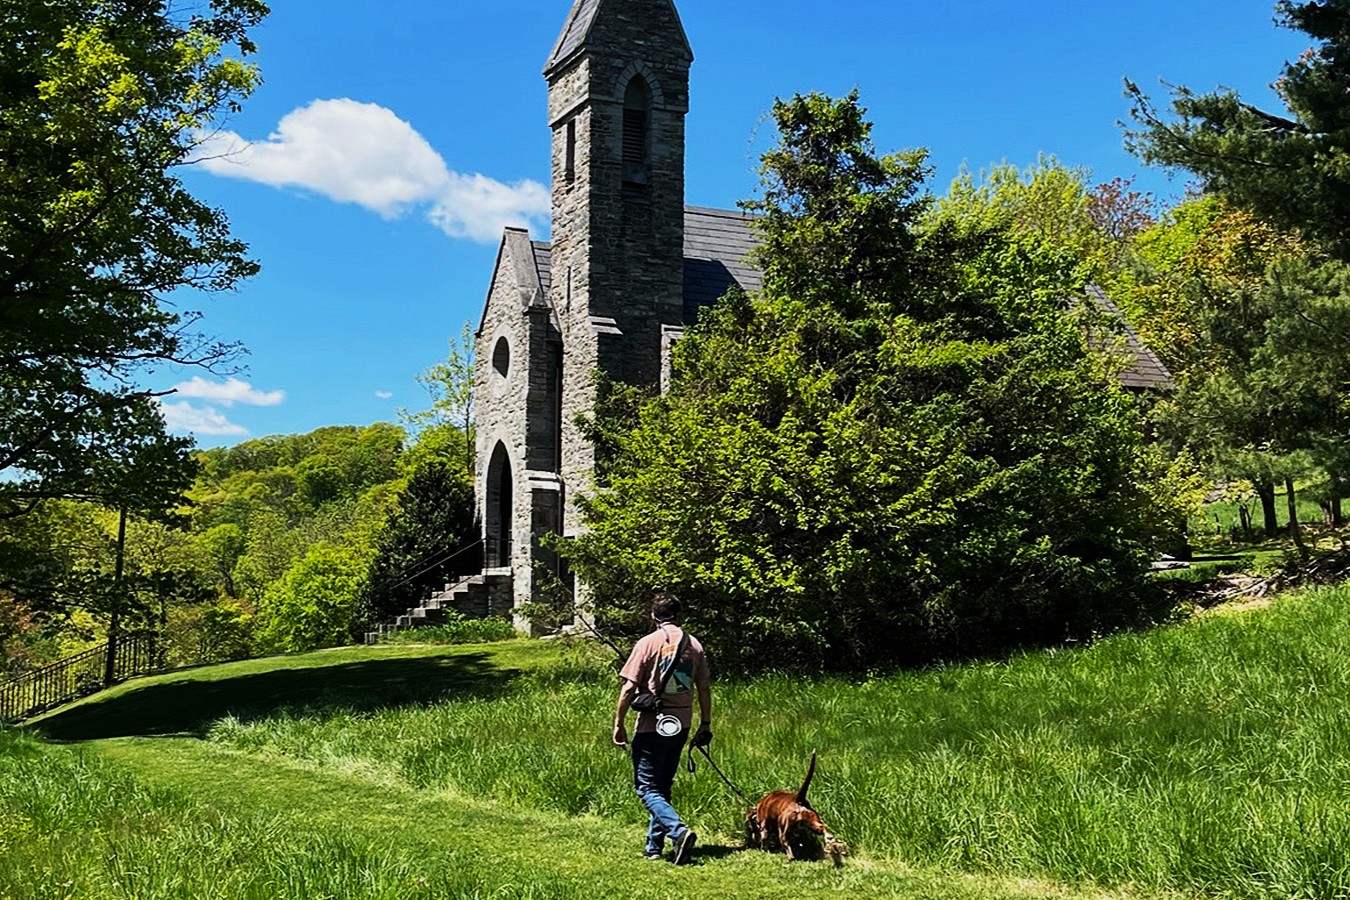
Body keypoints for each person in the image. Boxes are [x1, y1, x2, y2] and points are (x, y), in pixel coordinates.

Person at [613, 593, 713, 865]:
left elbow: (629, 688)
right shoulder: (694, 645)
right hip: (680, 724)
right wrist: (705, 723)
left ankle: (678, 832)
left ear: (653, 616)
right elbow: (704, 688)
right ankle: (653, 847)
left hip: (651, 724)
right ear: (679, 616)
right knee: (662, 785)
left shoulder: (647, 643)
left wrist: (619, 723)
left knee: (646, 787)